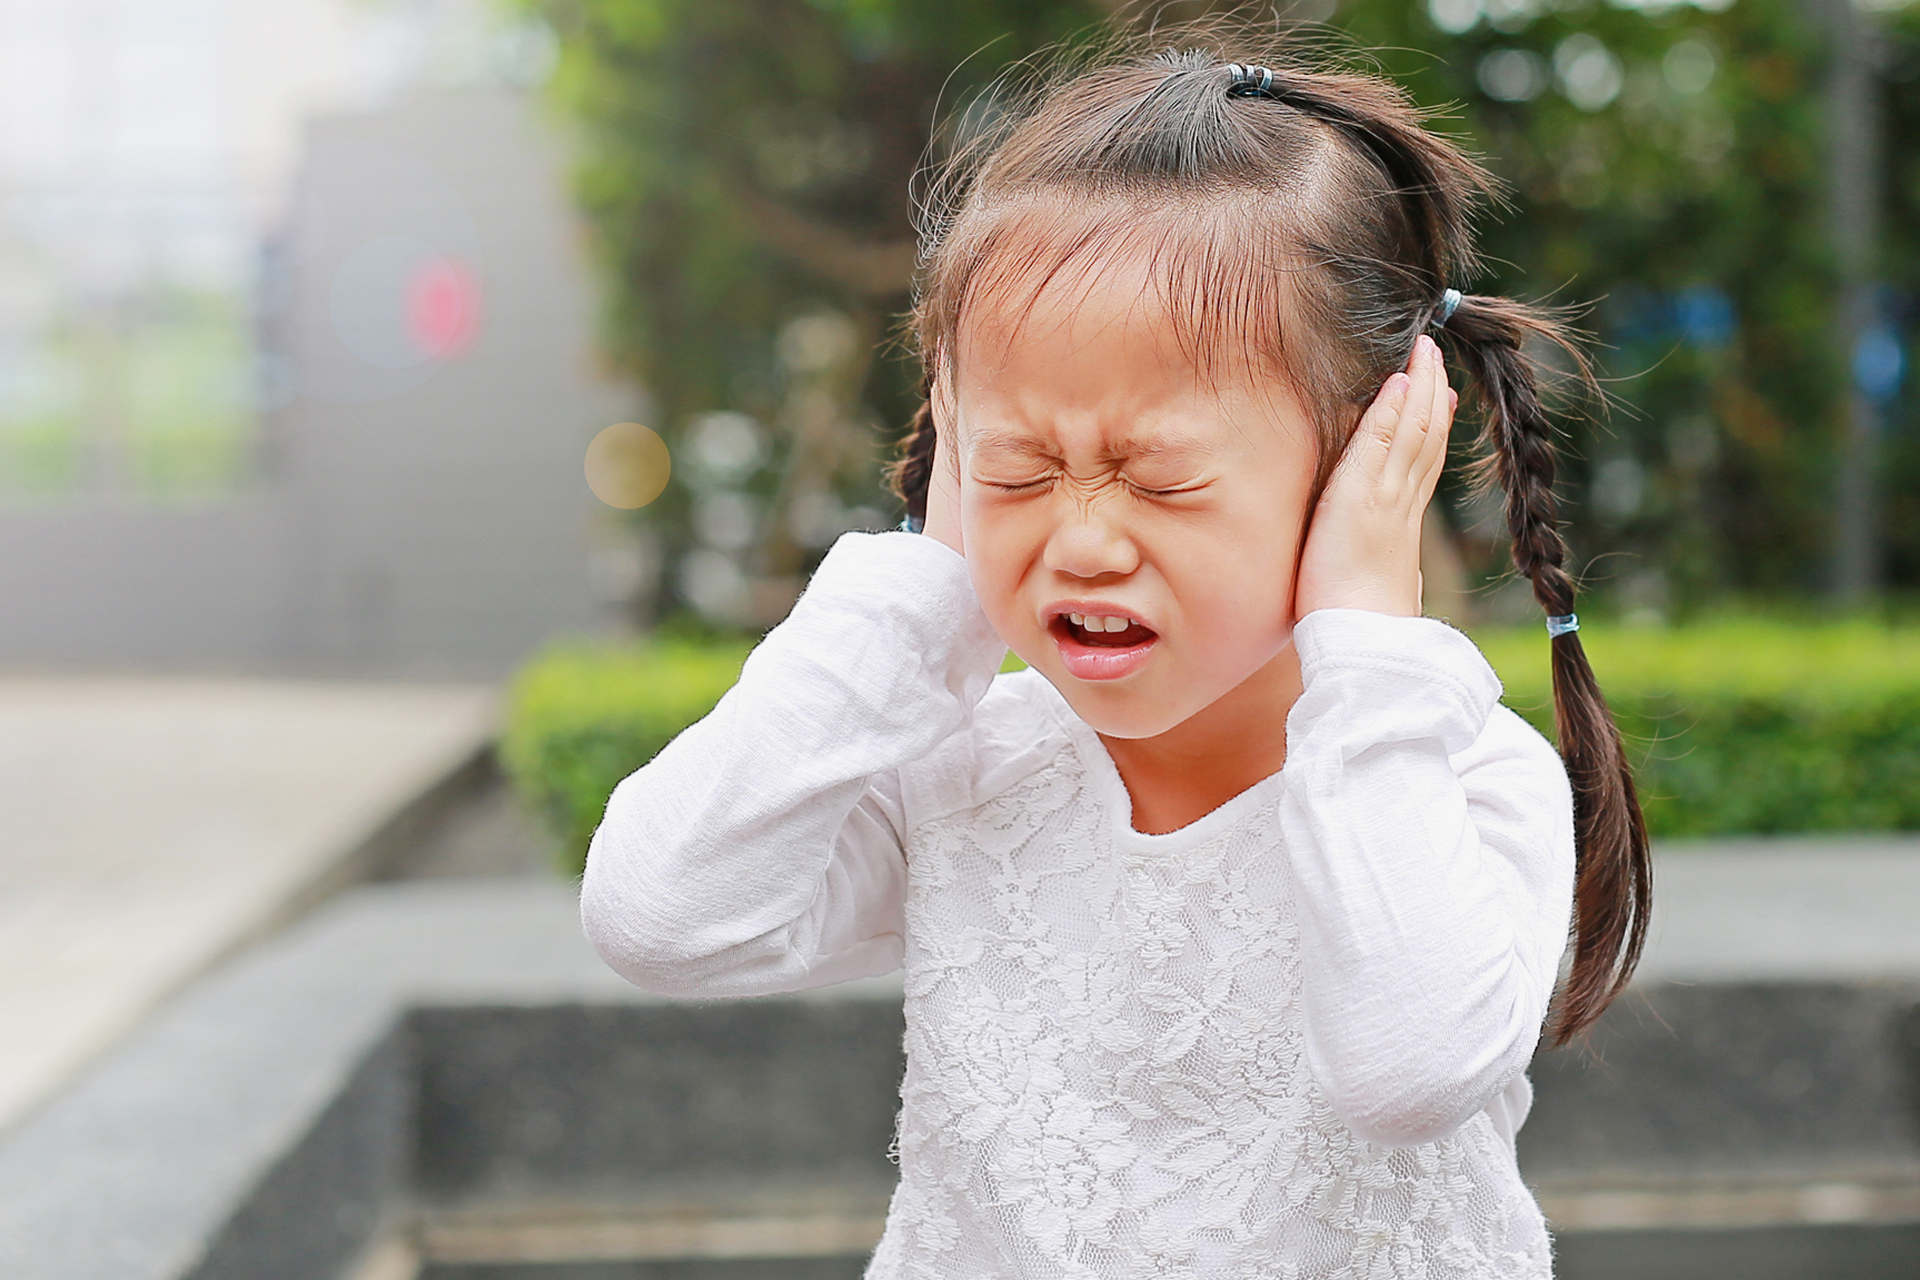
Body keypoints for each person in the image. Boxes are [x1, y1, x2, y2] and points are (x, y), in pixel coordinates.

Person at [582, 26, 1651, 1280]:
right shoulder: (970, 772)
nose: (1082, 539)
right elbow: (659, 915)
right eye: (1022, 468)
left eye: (1162, 477)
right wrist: (925, 589)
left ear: (1367, 459)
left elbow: (1407, 1065)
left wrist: (1369, 636)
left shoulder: (1453, 781)